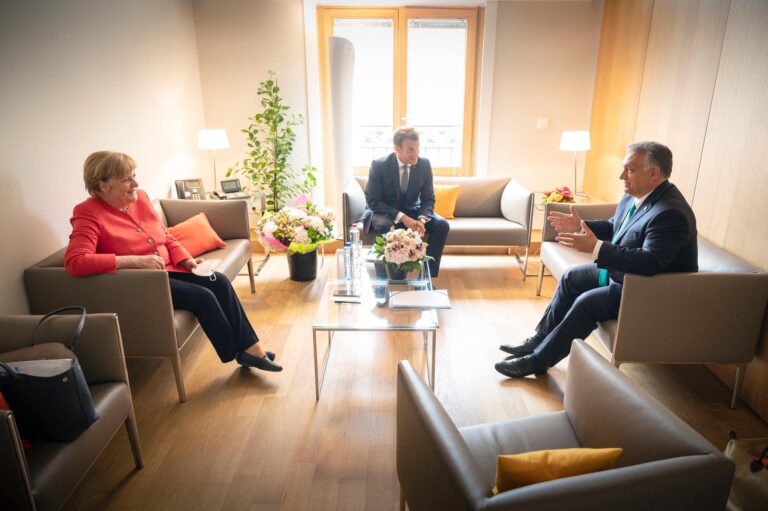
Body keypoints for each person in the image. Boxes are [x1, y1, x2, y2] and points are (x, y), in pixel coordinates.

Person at [65, 151, 282, 372]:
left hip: (169, 269)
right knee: (203, 297)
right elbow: (76, 261)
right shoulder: (88, 212)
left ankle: (251, 348)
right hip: (139, 283)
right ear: (103, 185)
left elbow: (165, 234)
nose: (135, 183)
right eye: (127, 179)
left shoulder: (140, 198)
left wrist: (186, 259)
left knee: (219, 281)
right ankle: (238, 352)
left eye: (134, 176)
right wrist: (136, 261)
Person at [495, 141, 697, 378]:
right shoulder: (634, 196)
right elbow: (615, 227)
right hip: (625, 277)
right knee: (571, 277)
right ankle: (539, 339)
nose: (622, 176)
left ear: (654, 173)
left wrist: (597, 248)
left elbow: (649, 261)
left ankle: (538, 361)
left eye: (630, 170)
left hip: (647, 291)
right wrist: (581, 226)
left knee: (587, 303)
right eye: (624, 168)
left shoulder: (670, 213)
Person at [362, 127, 450, 277]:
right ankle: (382, 280)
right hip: (383, 211)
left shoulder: (424, 164)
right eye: (410, 149)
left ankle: (427, 277)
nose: (416, 153)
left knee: (442, 225)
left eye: (418, 148)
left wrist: (422, 219)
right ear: (397, 149)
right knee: (384, 226)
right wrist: (402, 217)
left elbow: (428, 198)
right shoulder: (379, 165)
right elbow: (373, 200)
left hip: (412, 209)